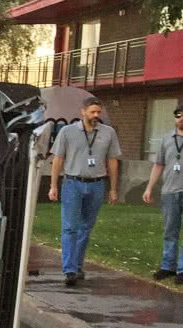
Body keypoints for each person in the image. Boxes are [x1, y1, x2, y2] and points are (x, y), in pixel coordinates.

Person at [48, 96, 122, 287]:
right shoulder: (67, 131)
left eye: (98, 112)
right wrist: (53, 185)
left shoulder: (108, 133)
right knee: (70, 227)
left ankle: (77, 265)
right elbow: (58, 160)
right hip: (73, 183)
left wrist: (113, 188)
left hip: (97, 184)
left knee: (85, 228)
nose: (96, 115)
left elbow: (113, 161)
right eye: (92, 112)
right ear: (83, 112)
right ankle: (69, 269)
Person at [143, 103, 183, 284]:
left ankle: (182, 269)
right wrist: (149, 187)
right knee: (170, 230)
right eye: (178, 115)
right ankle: (168, 266)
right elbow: (159, 164)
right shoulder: (167, 139)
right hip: (169, 192)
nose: (180, 118)